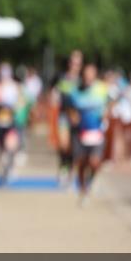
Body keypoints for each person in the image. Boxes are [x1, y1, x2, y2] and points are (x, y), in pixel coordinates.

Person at [67, 63, 110, 204]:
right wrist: (73, 117)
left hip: (97, 131)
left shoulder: (102, 89)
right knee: (81, 163)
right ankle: (83, 190)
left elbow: (111, 104)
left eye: (91, 74)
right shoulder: (75, 91)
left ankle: (91, 181)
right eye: (86, 74)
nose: (88, 77)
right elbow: (69, 108)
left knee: (95, 162)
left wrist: (106, 114)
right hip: (80, 132)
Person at [51, 50, 83, 186]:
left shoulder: (82, 81)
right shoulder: (62, 77)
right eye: (73, 62)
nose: (74, 65)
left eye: (78, 63)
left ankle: (70, 171)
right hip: (64, 115)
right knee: (64, 145)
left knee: (74, 147)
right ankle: (63, 166)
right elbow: (54, 92)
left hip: (78, 116)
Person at [0, 63, 23, 186]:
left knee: (10, 147)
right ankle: (2, 172)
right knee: (1, 150)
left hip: (11, 122)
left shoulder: (15, 87)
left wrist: (14, 109)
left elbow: (20, 103)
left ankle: (9, 170)